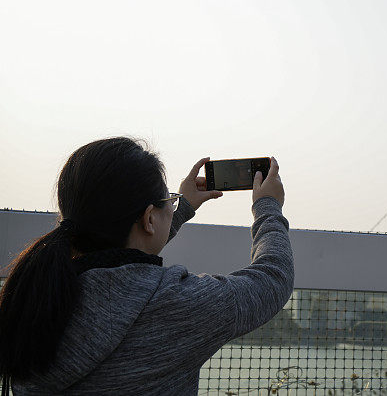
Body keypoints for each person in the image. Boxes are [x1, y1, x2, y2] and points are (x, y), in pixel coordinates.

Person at [0, 137, 294, 395]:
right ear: (149, 218)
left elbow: (124, 260)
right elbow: (272, 280)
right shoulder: (178, 304)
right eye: (168, 199)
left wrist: (181, 208)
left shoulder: (38, 297)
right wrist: (267, 207)